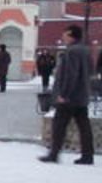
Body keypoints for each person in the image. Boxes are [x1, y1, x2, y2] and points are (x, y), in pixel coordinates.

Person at [39, 25, 94, 165]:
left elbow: (71, 74)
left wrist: (64, 94)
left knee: (59, 125)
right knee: (84, 126)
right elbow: (90, 72)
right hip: (82, 95)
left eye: (65, 34)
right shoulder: (86, 50)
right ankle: (88, 155)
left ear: (71, 35)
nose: (63, 37)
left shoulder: (72, 51)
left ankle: (54, 154)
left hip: (69, 98)